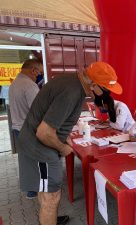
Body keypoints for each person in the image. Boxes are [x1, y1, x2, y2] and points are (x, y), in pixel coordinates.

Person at [16, 61, 122, 225]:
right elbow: (44, 132)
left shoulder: (71, 83)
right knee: (51, 197)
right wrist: (63, 147)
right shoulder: (71, 91)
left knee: (46, 192)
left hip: (37, 146)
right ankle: (48, 218)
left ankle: (49, 218)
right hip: (39, 149)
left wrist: (66, 138)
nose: (107, 95)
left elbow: (56, 119)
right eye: (106, 90)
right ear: (93, 84)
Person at [9, 58, 43, 199]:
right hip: (28, 129)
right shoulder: (29, 86)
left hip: (17, 128)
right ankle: (39, 188)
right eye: (39, 73)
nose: (39, 77)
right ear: (33, 70)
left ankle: (30, 189)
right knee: (37, 159)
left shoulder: (15, 83)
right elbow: (38, 110)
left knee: (26, 159)